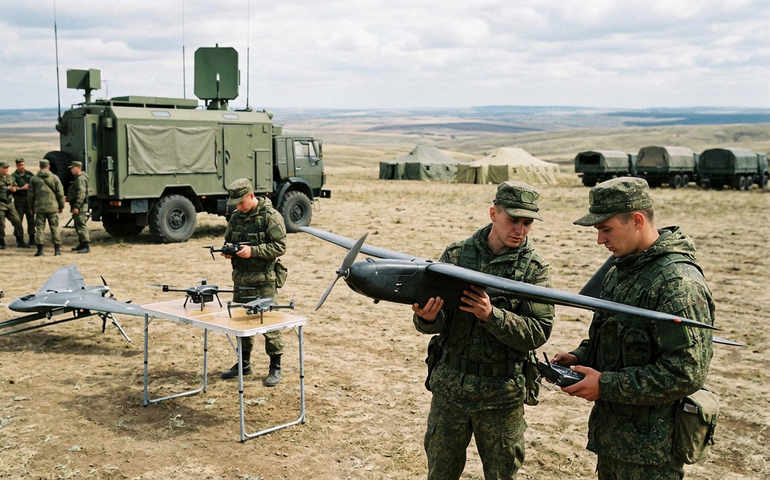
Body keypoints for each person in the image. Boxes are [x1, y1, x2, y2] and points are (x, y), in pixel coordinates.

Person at [553, 177, 715, 480]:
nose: (600, 240)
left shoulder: (676, 283)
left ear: (637, 220)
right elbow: (613, 336)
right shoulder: (619, 271)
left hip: (651, 452)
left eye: (606, 229)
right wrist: (580, 358)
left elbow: (686, 372)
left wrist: (606, 385)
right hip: (614, 440)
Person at [412, 181, 555, 480]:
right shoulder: (455, 255)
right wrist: (427, 319)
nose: (520, 229)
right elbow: (435, 323)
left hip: (501, 394)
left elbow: (539, 331)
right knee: (440, 472)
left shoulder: (534, 269)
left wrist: (492, 316)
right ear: (493, 213)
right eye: (512, 220)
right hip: (450, 388)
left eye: (527, 222)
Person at [220, 178, 287, 387]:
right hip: (241, 279)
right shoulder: (235, 217)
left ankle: (275, 367)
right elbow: (228, 240)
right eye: (236, 204)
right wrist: (229, 251)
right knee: (241, 322)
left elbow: (279, 246)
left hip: (265, 281)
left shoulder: (271, 216)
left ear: (251, 195)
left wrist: (253, 251)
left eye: (241, 202)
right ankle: (244, 363)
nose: (239, 207)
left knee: (269, 325)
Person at [28, 158, 65, 257]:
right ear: (49, 166)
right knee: (54, 228)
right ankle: (57, 250)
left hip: (39, 208)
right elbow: (60, 194)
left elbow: (30, 195)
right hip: (53, 208)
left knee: (40, 228)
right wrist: (61, 206)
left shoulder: (34, 179)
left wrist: (31, 208)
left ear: (40, 167)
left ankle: (40, 251)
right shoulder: (55, 178)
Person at [0, 159, 27, 249]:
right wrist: (8, 188)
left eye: (7, 168)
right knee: (1, 224)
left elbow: (15, 185)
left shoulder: (10, 177)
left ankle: (20, 240)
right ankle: (1, 242)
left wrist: (15, 188)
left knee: (17, 221)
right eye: (3, 168)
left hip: (9, 203)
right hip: (1, 204)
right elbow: (4, 187)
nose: (5, 170)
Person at [67, 161, 90, 253]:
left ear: (78, 168)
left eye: (73, 168)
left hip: (80, 206)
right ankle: (81, 243)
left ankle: (86, 245)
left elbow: (81, 194)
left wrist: (76, 206)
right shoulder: (77, 178)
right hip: (78, 205)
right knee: (77, 225)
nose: (71, 170)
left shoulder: (80, 179)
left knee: (81, 225)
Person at [12, 158, 34, 247]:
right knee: (18, 220)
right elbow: (12, 187)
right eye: (19, 165)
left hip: (29, 201)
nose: (21, 167)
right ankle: (19, 239)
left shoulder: (29, 174)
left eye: (22, 165)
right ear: (16, 166)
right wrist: (21, 188)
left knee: (31, 220)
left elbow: (34, 183)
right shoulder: (13, 176)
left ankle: (32, 239)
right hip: (19, 201)